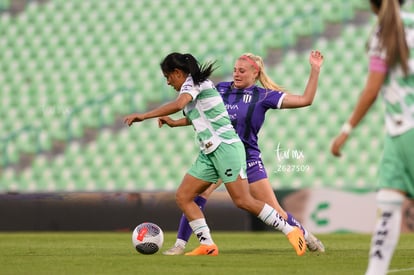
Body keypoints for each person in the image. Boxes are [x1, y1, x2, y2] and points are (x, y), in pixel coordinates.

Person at [124, 52, 306, 256]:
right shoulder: (195, 86)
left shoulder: (193, 83)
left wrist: (143, 115)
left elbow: (178, 105)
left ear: (177, 72)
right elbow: (201, 116)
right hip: (209, 152)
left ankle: (291, 231)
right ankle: (207, 244)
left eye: (168, 76)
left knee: (243, 201)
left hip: (226, 148)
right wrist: (174, 123)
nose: (167, 82)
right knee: (184, 197)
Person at [330, 1, 414, 274]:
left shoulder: (384, 31)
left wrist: (346, 130)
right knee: (387, 205)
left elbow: (372, 88)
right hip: (399, 134)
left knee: (387, 211)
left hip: (402, 133)